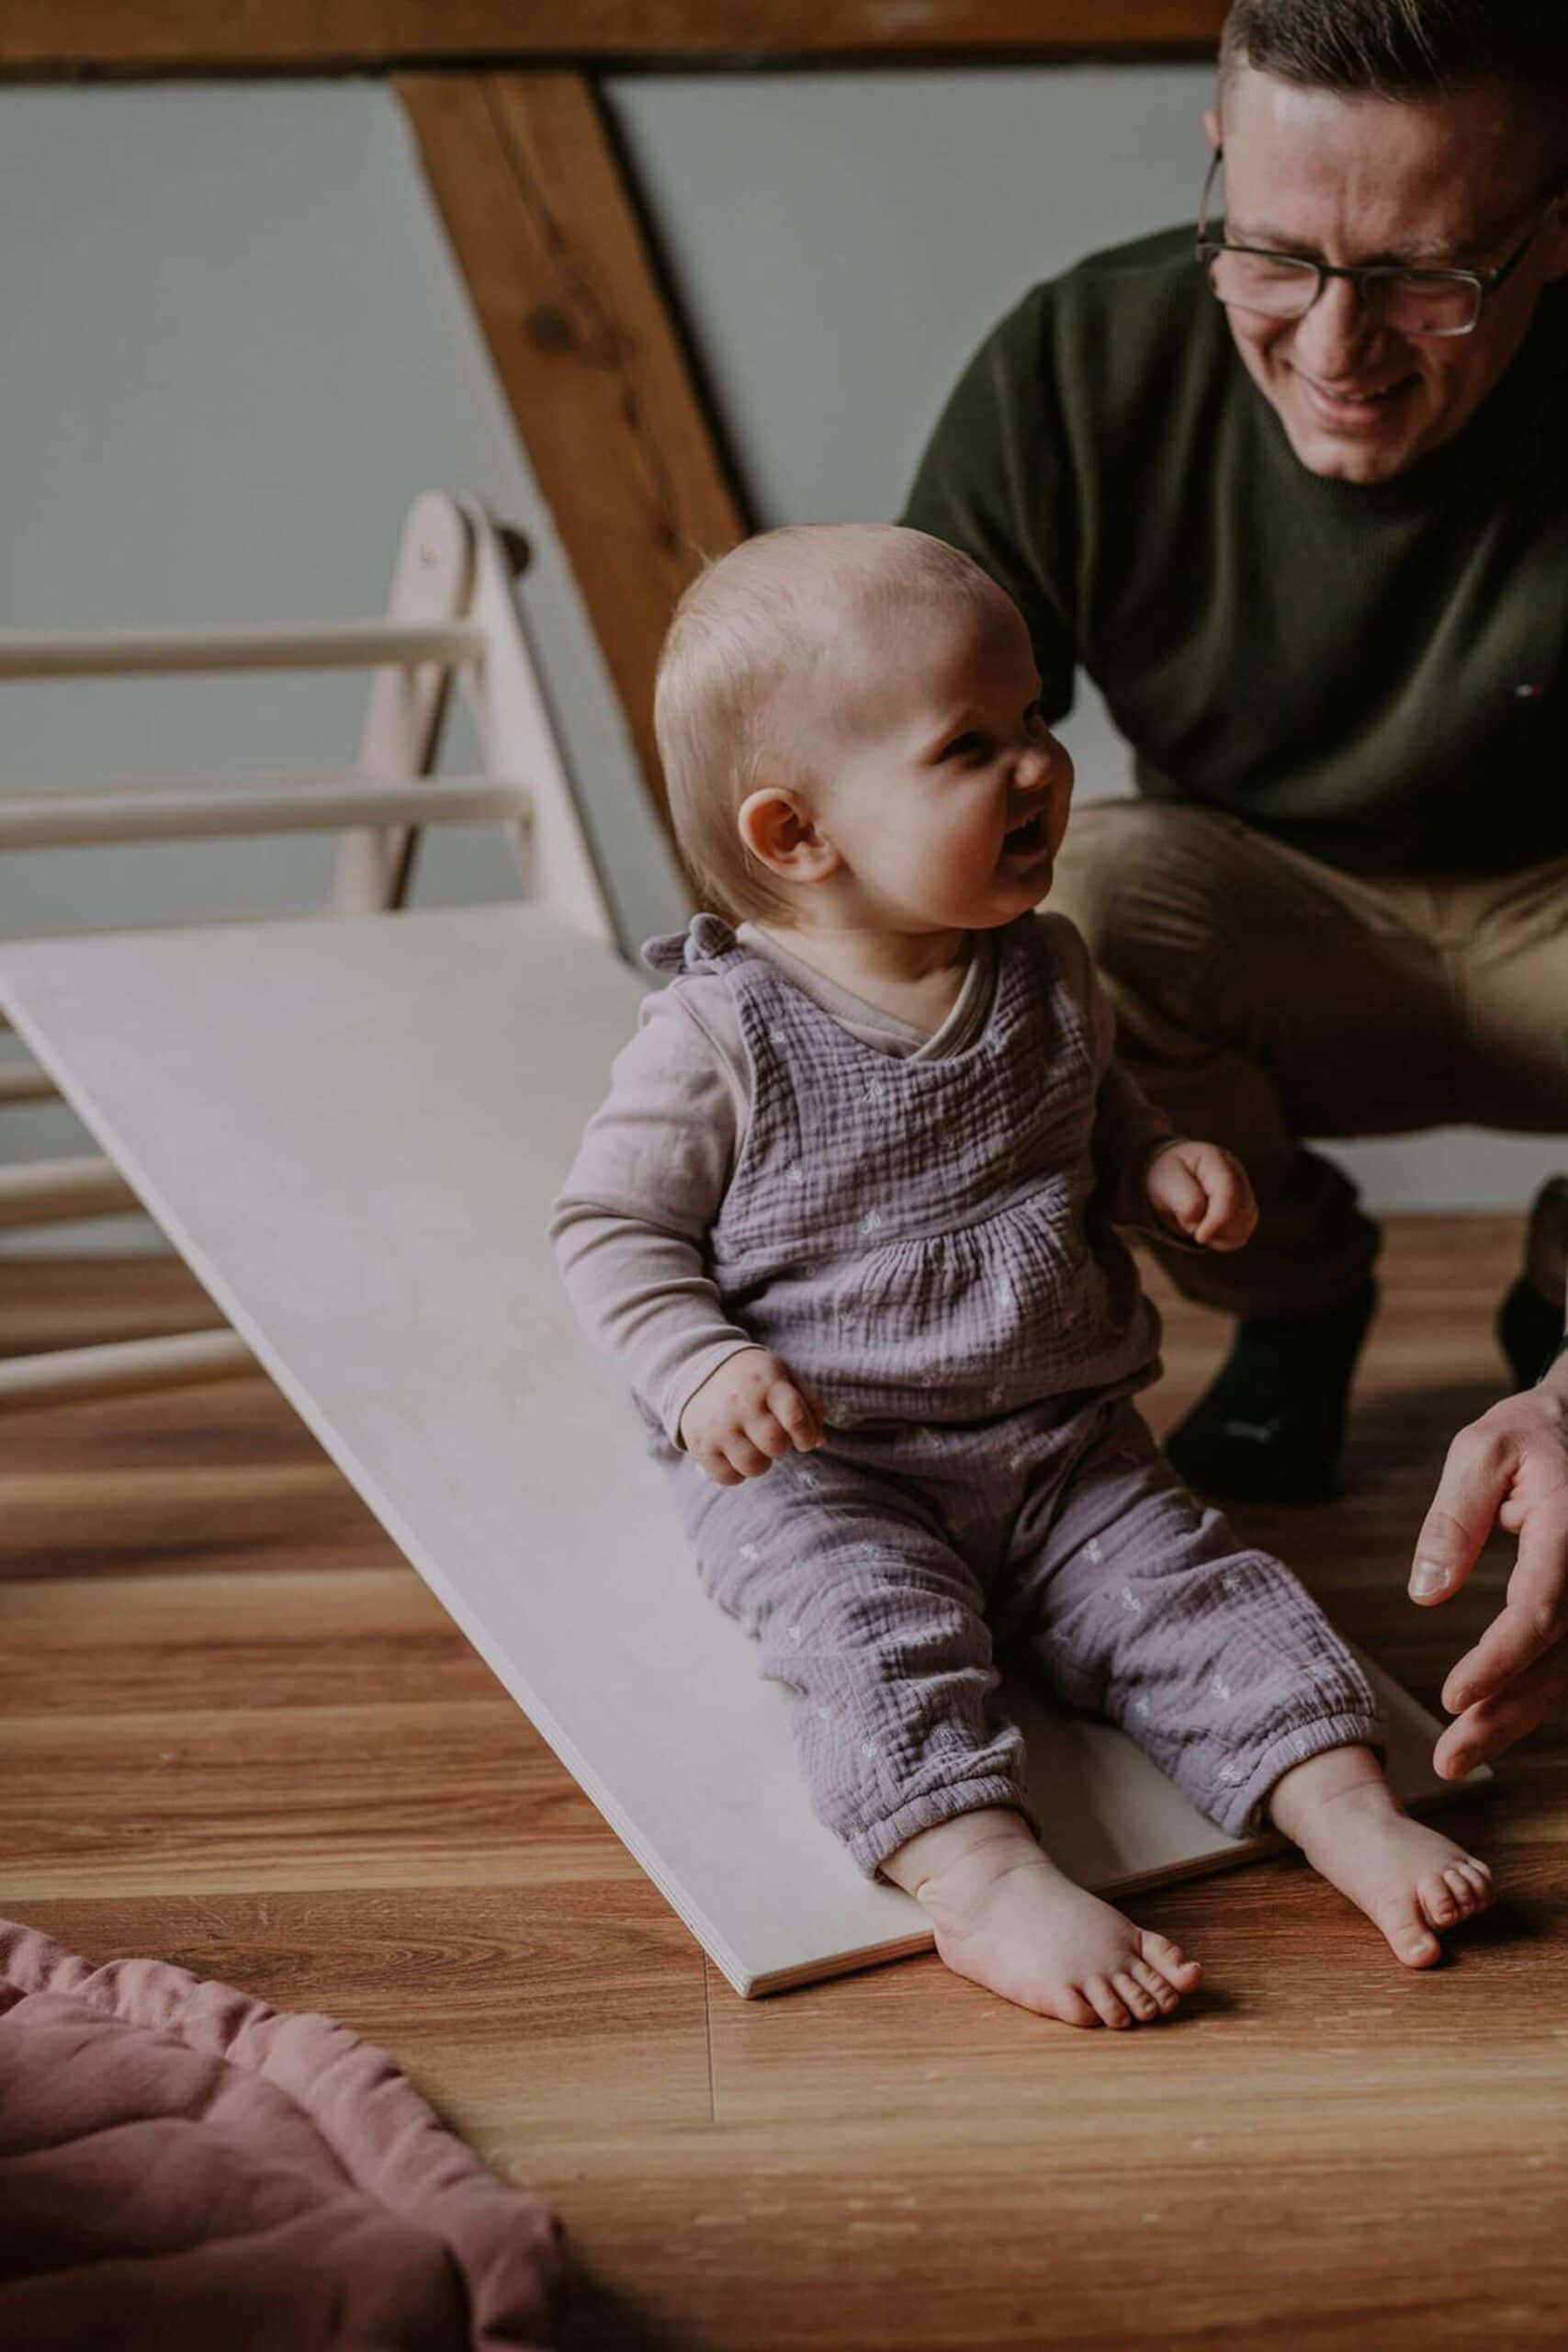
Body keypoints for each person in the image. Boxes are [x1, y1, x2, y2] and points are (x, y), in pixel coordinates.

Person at [551, 524, 1494, 2030]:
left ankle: (1339, 1805)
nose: (1043, 766)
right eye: (973, 744)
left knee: (1202, 1599)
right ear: (799, 837)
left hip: (1063, 1445)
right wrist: (700, 1368)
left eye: (1040, 720)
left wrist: (1156, 1164)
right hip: (828, 1464)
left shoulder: (1049, 964)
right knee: (872, 1641)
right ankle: (978, 1877)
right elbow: (609, 1233)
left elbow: (1088, 1112)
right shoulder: (723, 1038)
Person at [899, 0, 1568, 1782]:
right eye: (1271, 255)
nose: (1333, 348)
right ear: (1216, 160)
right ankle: (1289, 1298)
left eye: (1427, 277)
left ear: (1554, 224)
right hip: (1247, 920)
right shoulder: (1073, 360)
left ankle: (1557, 1329)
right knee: (1072, 893)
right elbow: (892, 787)